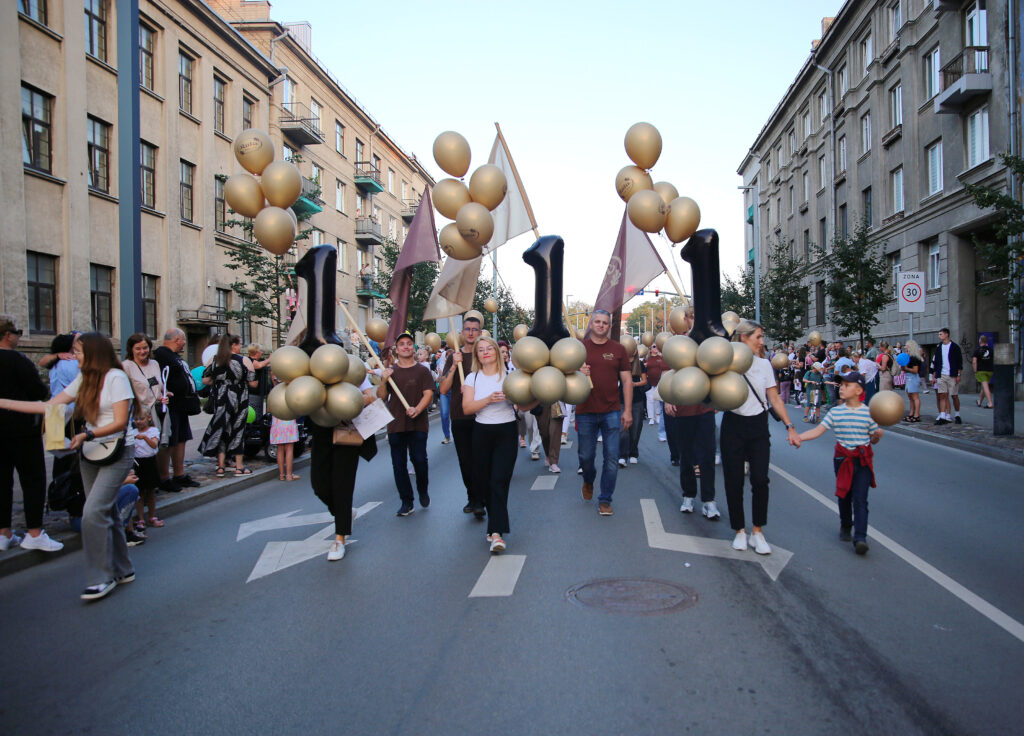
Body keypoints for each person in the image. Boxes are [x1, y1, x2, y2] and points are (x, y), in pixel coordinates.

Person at [2, 332, 137, 600]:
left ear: (94, 353)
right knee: (105, 511)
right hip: (89, 451)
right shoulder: (84, 378)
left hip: (117, 451)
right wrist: (4, 403)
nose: (73, 356)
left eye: (78, 352)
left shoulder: (116, 378)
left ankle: (101, 577)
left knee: (92, 513)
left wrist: (88, 434)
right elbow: (49, 407)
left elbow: (121, 422)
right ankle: (123, 569)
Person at [721, 320, 801, 555]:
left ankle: (757, 531)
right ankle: (739, 531)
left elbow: (775, 399)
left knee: (760, 479)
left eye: (762, 337)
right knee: (733, 481)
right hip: (733, 425)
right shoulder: (727, 364)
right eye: (757, 336)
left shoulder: (765, 365)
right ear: (743, 337)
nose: (762, 341)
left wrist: (790, 427)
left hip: (758, 425)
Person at [462, 335, 534, 553]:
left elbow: (523, 405)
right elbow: (467, 408)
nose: (485, 352)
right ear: (477, 355)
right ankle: (494, 527)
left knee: (499, 481)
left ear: (497, 352)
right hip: (481, 432)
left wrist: (540, 397)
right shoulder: (472, 378)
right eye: (480, 349)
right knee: (485, 483)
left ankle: (497, 534)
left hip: (505, 430)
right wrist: (488, 400)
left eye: (489, 348)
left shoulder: (510, 376)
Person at [798, 371, 883, 555]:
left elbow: (873, 439)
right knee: (844, 495)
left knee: (860, 499)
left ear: (859, 389)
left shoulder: (868, 413)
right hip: (842, 459)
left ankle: (860, 537)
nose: (841, 388)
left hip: (862, 460)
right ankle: (846, 524)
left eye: (846, 385)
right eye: (841, 385)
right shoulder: (836, 412)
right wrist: (799, 437)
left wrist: (876, 436)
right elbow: (818, 430)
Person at [0, 314, 64, 553]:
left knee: (2, 480)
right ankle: (35, 532)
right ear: (8, 335)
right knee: (32, 480)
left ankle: (3, 532)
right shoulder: (19, 361)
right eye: (17, 333)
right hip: (22, 428)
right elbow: (39, 390)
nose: (18, 337)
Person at [576, 309, 633, 516]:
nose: (601, 325)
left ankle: (605, 499)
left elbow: (627, 381)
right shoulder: (578, 349)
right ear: (591, 324)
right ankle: (588, 480)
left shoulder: (618, 349)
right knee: (586, 456)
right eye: (597, 322)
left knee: (611, 458)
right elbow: (564, 377)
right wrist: (577, 372)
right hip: (585, 411)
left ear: (610, 327)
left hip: (611, 411)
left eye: (605, 323)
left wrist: (627, 410)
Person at [378, 332, 434, 516]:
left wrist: (417, 409)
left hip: (418, 424)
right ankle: (406, 502)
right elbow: (381, 396)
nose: (406, 347)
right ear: (397, 349)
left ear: (413, 348)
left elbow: (428, 394)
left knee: (419, 460)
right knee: (398, 465)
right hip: (396, 425)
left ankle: (423, 490)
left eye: (409, 344)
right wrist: (384, 380)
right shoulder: (390, 371)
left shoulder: (422, 371)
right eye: (402, 344)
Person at [439, 317, 483, 513]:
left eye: (475, 329)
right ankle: (472, 498)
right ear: (462, 333)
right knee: (465, 460)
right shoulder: (453, 356)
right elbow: (443, 389)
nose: (471, 333)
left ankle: (481, 499)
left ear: (480, 333)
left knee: (481, 460)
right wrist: (454, 366)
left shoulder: (485, 354)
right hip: (460, 415)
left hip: (483, 415)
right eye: (467, 329)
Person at [198, 334, 256, 477]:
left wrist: (220, 382)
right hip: (239, 398)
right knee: (238, 430)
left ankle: (220, 466)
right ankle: (239, 466)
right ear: (233, 345)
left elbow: (205, 380)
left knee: (221, 429)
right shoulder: (243, 360)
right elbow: (253, 382)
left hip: (222, 398)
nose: (240, 347)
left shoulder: (215, 360)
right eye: (239, 344)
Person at [152, 328, 200, 491]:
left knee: (181, 439)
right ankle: (163, 477)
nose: (185, 343)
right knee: (169, 441)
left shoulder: (175, 357)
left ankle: (179, 474)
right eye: (183, 339)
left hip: (182, 406)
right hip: (170, 406)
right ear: (177, 340)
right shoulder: (162, 355)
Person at [665, 397, 719, 520]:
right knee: (685, 454)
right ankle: (688, 496)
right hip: (683, 409)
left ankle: (709, 500)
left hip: (706, 408)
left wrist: (718, 400)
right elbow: (667, 378)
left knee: (708, 455)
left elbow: (715, 378)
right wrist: (668, 400)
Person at [131, 410, 163, 531]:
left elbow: (154, 445)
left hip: (150, 462)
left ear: (149, 418)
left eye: (141, 419)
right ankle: (140, 518)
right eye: (136, 419)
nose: (138, 422)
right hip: (138, 463)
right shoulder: (133, 432)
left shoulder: (153, 431)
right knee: (139, 493)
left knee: (150, 491)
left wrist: (144, 438)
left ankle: (152, 516)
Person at [618, 351, 648, 467]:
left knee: (635, 429)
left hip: (637, 400)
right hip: (622, 399)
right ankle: (622, 455)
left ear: (635, 351)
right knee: (623, 429)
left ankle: (633, 453)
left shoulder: (639, 364)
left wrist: (634, 384)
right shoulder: (620, 363)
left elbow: (645, 381)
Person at [931, 328, 963, 425]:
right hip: (941, 374)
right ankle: (943, 415)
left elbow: (959, 362)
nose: (939, 336)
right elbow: (936, 363)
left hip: (952, 374)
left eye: (940, 334)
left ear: (946, 335)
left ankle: (957, 415)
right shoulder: (938, 347)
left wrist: (958, 374)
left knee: (954, 395)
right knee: (942, 395)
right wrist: (934, 376)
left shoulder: (955, 347)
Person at [645, 344, 668, 442]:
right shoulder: (648, 359)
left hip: (661, 382)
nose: (656, 348)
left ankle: (658, 416)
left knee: (658, 402)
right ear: (650, 349)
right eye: (654, 347)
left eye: (656, 346)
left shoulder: (662, 357)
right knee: (650, 400)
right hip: (651, 382)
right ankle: (652, 417)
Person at [246, 343, 272, 415]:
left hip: (260, 393)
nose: (262, 352)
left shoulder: (261, 360)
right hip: (253, 394)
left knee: (259, 414)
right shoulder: (248, 360)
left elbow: (265, 364)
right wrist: (269, 359)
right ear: (256, 352)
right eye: (261, 351)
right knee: (255, 414)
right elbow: (259, 365)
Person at [435, 342, 453, 444]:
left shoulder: (457, 365)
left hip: (455, 391)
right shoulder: (441, 365)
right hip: (444, 393)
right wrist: (440, 376)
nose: (449, 358)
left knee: (456, 415)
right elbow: (438, 381)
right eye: (448, 356)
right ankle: (447, 436)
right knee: (444, 414)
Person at [901, 340, 923, 422]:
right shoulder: (909, 357)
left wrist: (906, 368)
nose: (905, 347)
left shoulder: (914, 358)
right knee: (910, 397)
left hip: (913, 378)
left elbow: (915, 370)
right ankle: (911, 413)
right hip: (909, 377)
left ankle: (916, 415)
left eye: (906, 345)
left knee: (915, 397)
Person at [972, 335, 995, 409]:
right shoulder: (991, 350)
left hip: (981, 370)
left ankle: (990, 403)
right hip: (990, 370)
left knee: (985, 387)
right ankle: (980, 402)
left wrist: (975, 370)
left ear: (980, 341)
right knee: (984, 387)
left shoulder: (977, 350)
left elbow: (974, 362)